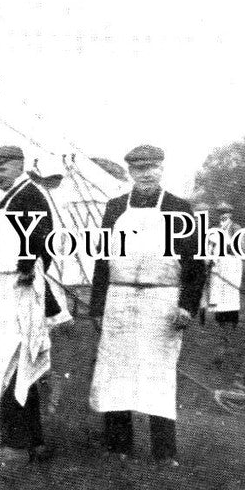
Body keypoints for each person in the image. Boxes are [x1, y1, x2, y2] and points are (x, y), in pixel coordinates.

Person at [88, 144, 206, 465]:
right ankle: (118, 446)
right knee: (115, 370)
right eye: (139, 169)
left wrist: (187, 306)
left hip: (161, 299)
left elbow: (196, 265)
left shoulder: (179, 208)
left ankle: (164, 452)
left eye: (151, 168)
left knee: (159, 371)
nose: (145, 174)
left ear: (161, 170)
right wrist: (96, 306)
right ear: (130, 173)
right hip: (119, 297)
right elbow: (102, 260)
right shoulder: (114, 208)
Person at [0, 145, 65, 465]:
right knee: (20, 358)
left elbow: (43, 236)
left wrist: (27, 267)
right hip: (7, 284)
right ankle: (34, 441)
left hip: (18, 286)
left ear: (19, 165)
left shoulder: (29, 194)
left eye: (3, 170)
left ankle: (15, 445)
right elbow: (7, 237)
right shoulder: (15, 195)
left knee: (12, 358)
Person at [207, 201, 245, 391]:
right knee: (219, 301)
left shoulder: (235, 228)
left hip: (231, 268)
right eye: (220, 213)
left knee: (230, 300)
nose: (223, 215)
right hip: (219, 270)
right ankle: (223, 335)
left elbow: (237, 249)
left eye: (226, 213)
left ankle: (228, 336)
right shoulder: (214, 229)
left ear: (230, 214)